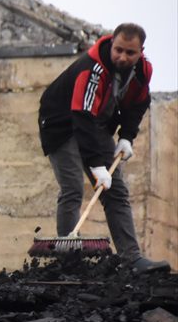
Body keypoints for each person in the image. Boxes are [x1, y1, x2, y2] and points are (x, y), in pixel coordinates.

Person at [38, 23, 168, 273]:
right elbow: (81, 116)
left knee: (116, 190)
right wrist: (96, 165)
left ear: (140, 52)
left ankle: (132, 258)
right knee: (72, 188)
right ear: (112, 44)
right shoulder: (92, 69)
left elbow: (139, 103)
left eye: (130, 53)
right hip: (60, 123)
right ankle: (69, 259)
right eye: (118, 50)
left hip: (95, 123)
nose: (123, 57)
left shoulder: (142, 71)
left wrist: (127, 137)